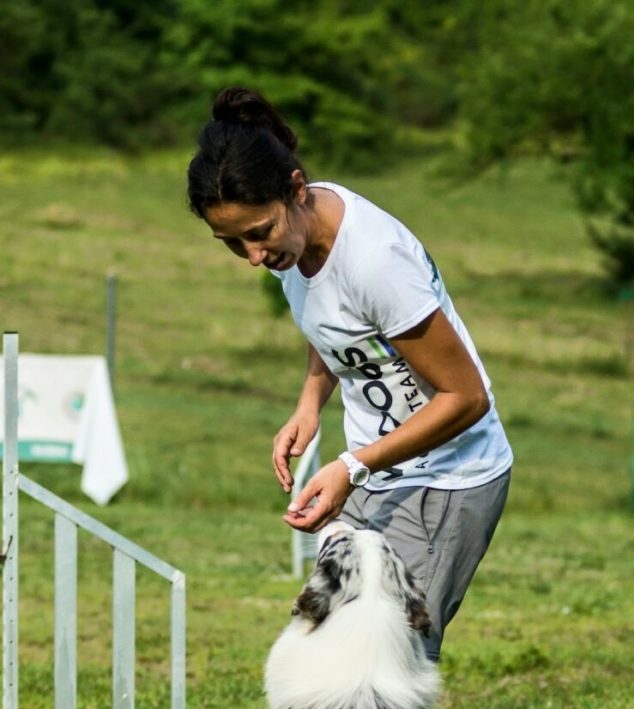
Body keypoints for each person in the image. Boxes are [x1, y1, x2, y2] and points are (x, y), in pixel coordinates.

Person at [187, 87, 512, 676]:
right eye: (232, 243)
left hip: (448, 477)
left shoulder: (373, 259)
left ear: (295, 189)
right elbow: (338, 325)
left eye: (258, 232)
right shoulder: (295, 243)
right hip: (375, 466)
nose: (253, 255)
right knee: (336, 641)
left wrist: (353, 466)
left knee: (391, 659)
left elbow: (466, 397)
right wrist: (309, 404)